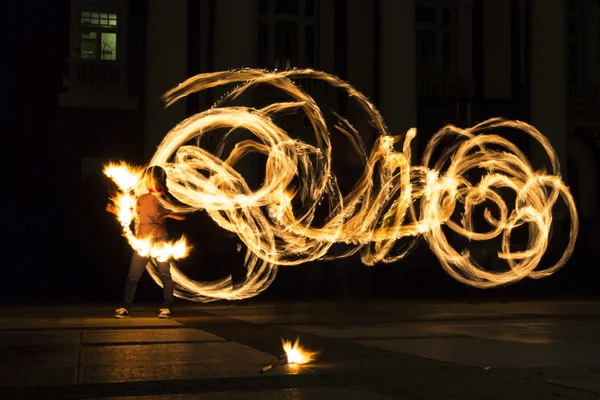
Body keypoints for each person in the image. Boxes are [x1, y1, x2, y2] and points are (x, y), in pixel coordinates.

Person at [106, 166, 185, 319]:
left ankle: (167, 306)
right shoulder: (142, 198)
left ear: (157, 180)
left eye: (149, 178)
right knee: (132, 275)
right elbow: (132, 216)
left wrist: (169, 215)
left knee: (165, 275)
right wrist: (114, 211)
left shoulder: (165, 199)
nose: (146, 181)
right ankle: (125, 306)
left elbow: (182, 216)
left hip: (160, 240)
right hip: (142, 242)